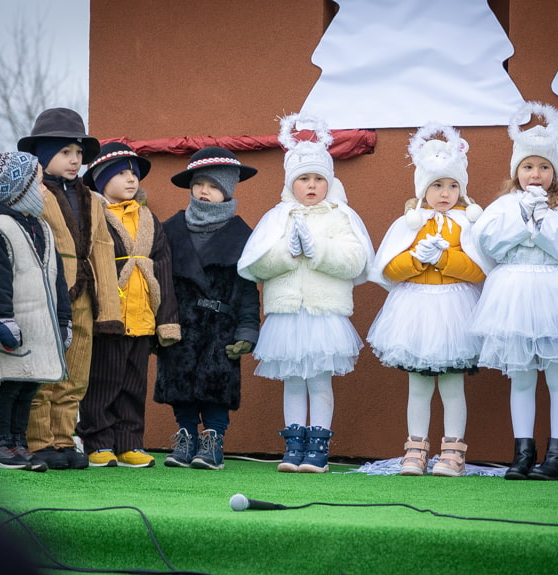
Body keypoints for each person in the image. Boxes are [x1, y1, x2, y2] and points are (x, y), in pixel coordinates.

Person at [238, 114, 375, 473]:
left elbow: (354, 261)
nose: (311, 186)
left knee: (319, 378)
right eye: (303, 179)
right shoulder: (278, 217)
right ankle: (293, 445)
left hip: (323, 312)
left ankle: (319, 446)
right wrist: (289, 252)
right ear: (291, 183)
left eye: (318, 179)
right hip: (287, 313)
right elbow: (258, 263)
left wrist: (318, 252)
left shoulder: (340, 216)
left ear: (329, 182)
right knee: (293, 380)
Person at [469, 102, 558, 481]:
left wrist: (544, 223)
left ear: (554, 171)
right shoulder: (504, 205)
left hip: (556, 294)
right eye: (527, 167)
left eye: (543, 167)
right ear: (516, 171)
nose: (535, 174)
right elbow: (488, 246)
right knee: (521, 375)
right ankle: (522, 452)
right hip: (515, 296)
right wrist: (523, 222)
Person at [367, 124, 489, 477]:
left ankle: (453, 452)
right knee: (418, 385)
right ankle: (416, 449)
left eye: (453, 185)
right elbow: (388, 269)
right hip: (416, 311)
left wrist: (446, 259)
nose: (445, 192)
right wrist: (419, 259)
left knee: (452, 385)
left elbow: (481, 271)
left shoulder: (467, 224)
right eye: (437, 185)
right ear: (423, 188)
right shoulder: (410, 223)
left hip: (455, 311)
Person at [17, 108, 124, 470]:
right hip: (46, 296)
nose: (75, 160)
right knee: (45, 373)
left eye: (79, 153)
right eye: (65, 152)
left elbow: (103, 252)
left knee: (75, 376)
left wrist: (109, 310)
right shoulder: (32, 195)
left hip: (83, 297)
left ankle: (64, 440)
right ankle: (39, 441)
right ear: (44, 155)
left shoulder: (92, 199)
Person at [154, 146, 260, 470]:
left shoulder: (243, 235)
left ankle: (213, 438)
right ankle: (186, 435)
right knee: (179, 384)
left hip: (220, 327)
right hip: (179, 323)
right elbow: (157, 281)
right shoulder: (170, 229)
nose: (204, 191)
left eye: (214, 186)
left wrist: (246, 330)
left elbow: (247, 289)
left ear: (227, 190)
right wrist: (160, 323)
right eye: (199, 183)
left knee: (216, 384)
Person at [78, 143, 181, 468]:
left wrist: (167, 319)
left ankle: (129, 443)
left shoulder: (149, 220)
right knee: (103, 382)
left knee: (134, 385)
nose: (131, 179)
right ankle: (98, 442)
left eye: (133, 173)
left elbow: (163, 269)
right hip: (110, 317)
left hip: (142, 317)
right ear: (100, 179)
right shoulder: (94, 215)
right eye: (121, 173)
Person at [0, 149, 73, 472]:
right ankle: (0, 444)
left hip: (38, 325)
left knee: (29, 385)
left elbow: (57, 279)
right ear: (20, 189)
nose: (44, 190)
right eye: (39, 184)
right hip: (12, 323)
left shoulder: (40, 228)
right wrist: (2, 318)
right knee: (9, 382)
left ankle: (18, 442)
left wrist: (64, 319)